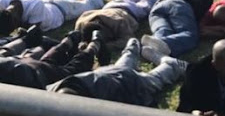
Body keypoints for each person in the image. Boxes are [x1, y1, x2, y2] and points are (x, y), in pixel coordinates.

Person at [48, 38, 187, 107]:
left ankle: (170, 65)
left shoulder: (93, 107)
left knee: (154, 80)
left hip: (127, 82)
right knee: (123, 65)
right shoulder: (54, 89)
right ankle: (132, 46)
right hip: (104, 74)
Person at [0, 29, 103, 89]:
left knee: (70, 72)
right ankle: (68, 41)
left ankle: (94, 46)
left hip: (30, 75)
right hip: (20, 65)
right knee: (46, 64)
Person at [75, 0, 164, 48]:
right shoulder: (82, 22)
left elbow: (127, 39)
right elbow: (84, 15)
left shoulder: (118, 23)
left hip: (131, 12)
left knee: (146, 4)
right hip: (111, 6)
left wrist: (105, 45)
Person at [142, 0, 216, 57]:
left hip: (157, 7)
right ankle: (164, 43)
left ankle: (154, 45)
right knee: (190, 36)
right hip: (179, 4)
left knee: (164, 30)